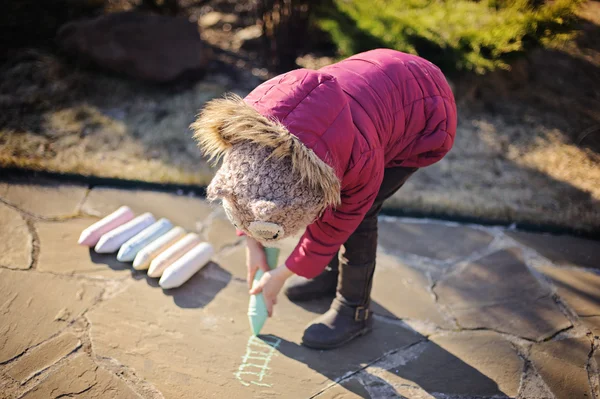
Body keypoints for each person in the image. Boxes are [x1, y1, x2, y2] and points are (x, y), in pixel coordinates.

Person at [191, 48, 457, 349]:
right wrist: (253, 244)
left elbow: (339, 221)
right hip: (382, 86)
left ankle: (354, 310)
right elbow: (243, 190)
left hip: (424, 110)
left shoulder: (360, 157)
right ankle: (330, 275)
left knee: (358, 216)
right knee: (324, 204)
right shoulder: (249, 131)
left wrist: (283, 273)